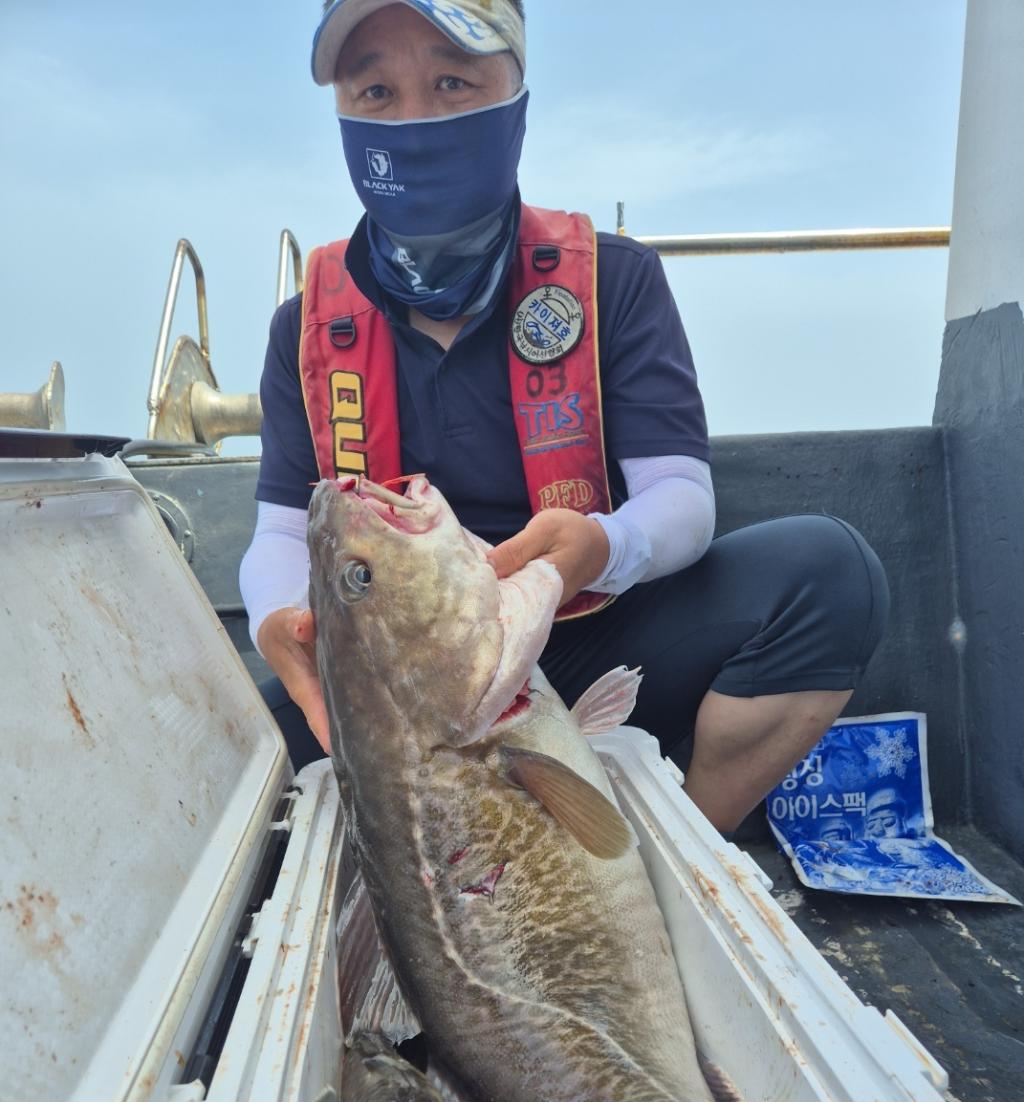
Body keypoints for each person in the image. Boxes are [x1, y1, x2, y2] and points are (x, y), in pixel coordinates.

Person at [240, 0, 890, 833]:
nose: (415, 119)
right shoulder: (303, 327)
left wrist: (605, 549)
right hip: (401, 675)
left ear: (515, 98)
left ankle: (674, 857)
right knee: (230, 752)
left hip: (590, 632)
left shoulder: (611, 280)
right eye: (375, 93)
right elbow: (281, 532)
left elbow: (681, 495)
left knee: (830, 575)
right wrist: (274, 624)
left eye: (452, 82)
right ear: (341, 115)